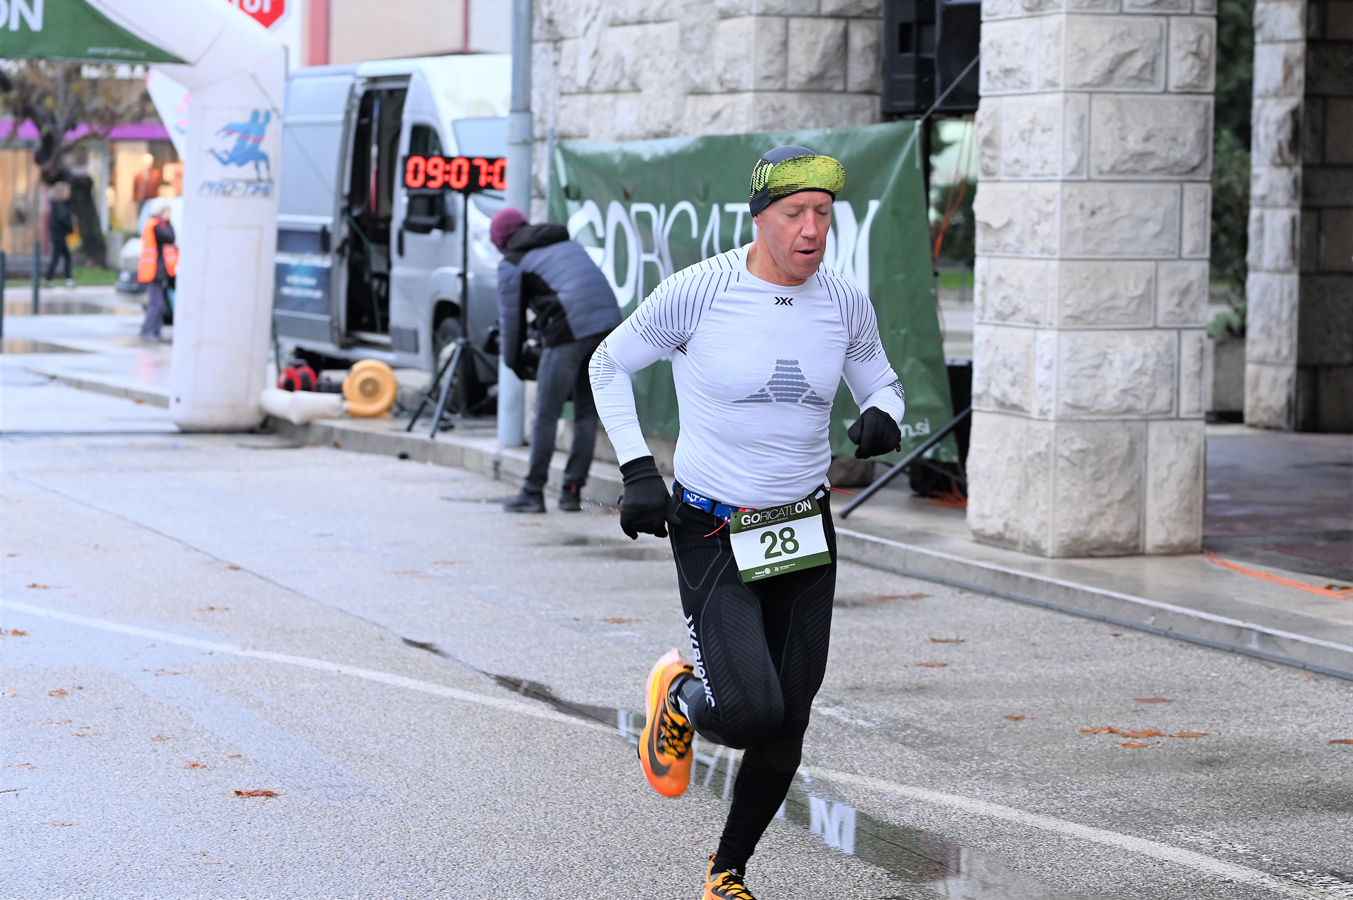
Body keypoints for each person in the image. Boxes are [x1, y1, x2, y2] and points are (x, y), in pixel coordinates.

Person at [588, 146, 906, 899]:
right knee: (746, 713)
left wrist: (882, 415)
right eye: (794, 213)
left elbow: (882, 382)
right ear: (759, 217)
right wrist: (637, 470)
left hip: (802, 528)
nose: (811, 229)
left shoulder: (842, 301)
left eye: (822, 214)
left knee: (788, 722)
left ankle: (725, 874)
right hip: (713, 527)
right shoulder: (701, 291)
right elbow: (607, 363)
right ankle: (679, 695)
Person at [493, 207, 622, 513]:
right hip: (610, 327)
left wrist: (513, 362)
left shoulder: (512, 262)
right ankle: (571, 492)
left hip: (569, 330)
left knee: (545, 415)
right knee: (586, 413)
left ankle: (532, 491)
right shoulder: (566, 243)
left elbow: (511, 322)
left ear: (501, 241)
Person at [137, 204, 177, 341]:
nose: (169, 215)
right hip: (153, 272)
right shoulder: (154, 225)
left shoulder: (157, 224)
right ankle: (148, 330)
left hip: (159, 272)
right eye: (167, 212)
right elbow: (170, 237)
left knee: (159, 304)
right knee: (156, 304)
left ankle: (154, 331)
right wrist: (169, 223)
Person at [45, 182, 75, 288]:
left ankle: (66, 279)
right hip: (59, 235)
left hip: (59, 234)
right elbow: (63, 219)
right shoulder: (59, 205)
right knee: (58, 257)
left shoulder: (58, 204)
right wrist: (69, 227)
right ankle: (50, 280)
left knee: (64, 257)